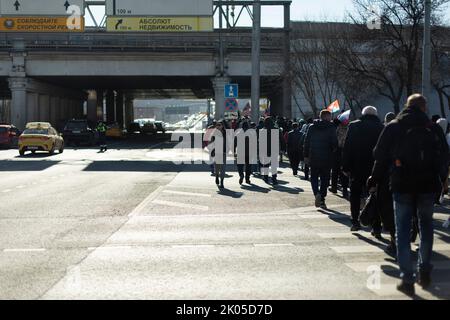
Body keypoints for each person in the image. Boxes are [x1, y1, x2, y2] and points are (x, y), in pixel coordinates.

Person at [368, 94, 449, 296]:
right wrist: (442, 180)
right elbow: (444, 156)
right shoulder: (433, 128)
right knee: (426, 226)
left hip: (401, 184)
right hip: (428, 185)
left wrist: (375, 178)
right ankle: (424, 268)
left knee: (402, 230)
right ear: (424, 107)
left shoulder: (394, 126)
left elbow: (378, 155)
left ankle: (407, 277)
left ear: (406, 106)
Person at [342, 106, 384, 233]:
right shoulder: (382, 127)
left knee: (355, 195)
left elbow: (347, 147)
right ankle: (376, 225)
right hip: (375, 167)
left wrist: (345, 166)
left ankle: (355, 221)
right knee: (375, 196)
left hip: (357, 167)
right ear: (375, 114)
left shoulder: (354, 126)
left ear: (363, 114)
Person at [303, 110, 338, 209]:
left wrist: (306, 156)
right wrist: (334, 151)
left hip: (314, 156)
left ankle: (316, 193)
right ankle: (322, 199)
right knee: (325, 179)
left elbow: (306, 142)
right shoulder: (331, 127)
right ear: (327, 117)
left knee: (313, 177)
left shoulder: (312, 127)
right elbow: (334, 143)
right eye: (330, 117)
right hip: (327, 158)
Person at [330, 118, 349, 198]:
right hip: (345, 152)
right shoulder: (348, 129)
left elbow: (334, 140)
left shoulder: (337, 129)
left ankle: (334, 188)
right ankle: (345, 190)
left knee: (335, 171)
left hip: (337, 151)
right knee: (344, 172)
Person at [259, 116, 279, 185]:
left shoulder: (262, 130)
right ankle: (274, 178)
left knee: (266, 164)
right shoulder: (276, 129)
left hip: (265, 149)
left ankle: (266, 177)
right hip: (274, 149)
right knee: (274, 165)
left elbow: (260, 142)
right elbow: (280, 139)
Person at [211, 120, 228, 189]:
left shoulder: (226, 133)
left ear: (222, 126)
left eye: (220, 125)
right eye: (217, 125)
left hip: (223, 152)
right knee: (217, 167)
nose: (218, 126)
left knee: (223, 168)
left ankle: (222, 182)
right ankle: (217, 176)